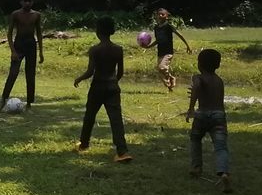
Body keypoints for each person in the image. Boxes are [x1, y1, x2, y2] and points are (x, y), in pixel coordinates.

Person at [74, 18, 132, 163]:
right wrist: (113, 82)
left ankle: (84, 144)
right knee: (116, 119)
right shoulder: (118, 49)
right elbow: (120, 72)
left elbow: (90, 72)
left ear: (98, 31)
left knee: (90, 116)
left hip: (97, 87)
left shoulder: (95, 49)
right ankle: (122, 151)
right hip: (112, 86)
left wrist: (79, 79)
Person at [187, 49, 232, 193]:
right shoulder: (219, 81)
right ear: (217, 65)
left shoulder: (198, 78)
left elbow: (197, 86)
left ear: (199, 64)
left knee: (195, 139)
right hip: (218, 115)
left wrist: (191, 108)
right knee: (220, 147)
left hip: (202, 114)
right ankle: (223, 173)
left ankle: (196, 167)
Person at [0, 0, 44, 111]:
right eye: (25, 1)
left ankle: (29, 103)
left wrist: (41, 52)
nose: (27, 3)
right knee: (13, 73)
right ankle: (3, 99)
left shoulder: (36, 15)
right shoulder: (16, 14)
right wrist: (13, 51)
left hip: (31, 45)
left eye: (29, 1)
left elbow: (39, 33)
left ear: (33, 2)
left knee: (30, 74)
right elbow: (9, 34)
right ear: (21, 2)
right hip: (19, 44)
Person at [144, 8, 191, 92]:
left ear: (167, 16)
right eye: (158, 14)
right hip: (160, 52)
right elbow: (158, 40)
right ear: (156, 16)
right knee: (160, 71)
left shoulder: (169, 26)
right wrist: (148, 46)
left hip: (168, 52)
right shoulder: (156, 28)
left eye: (162, 14)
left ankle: (171, 79)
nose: (160, 15)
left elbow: (180, 35)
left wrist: (187, 46)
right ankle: (170, 86)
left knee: (161, 67)